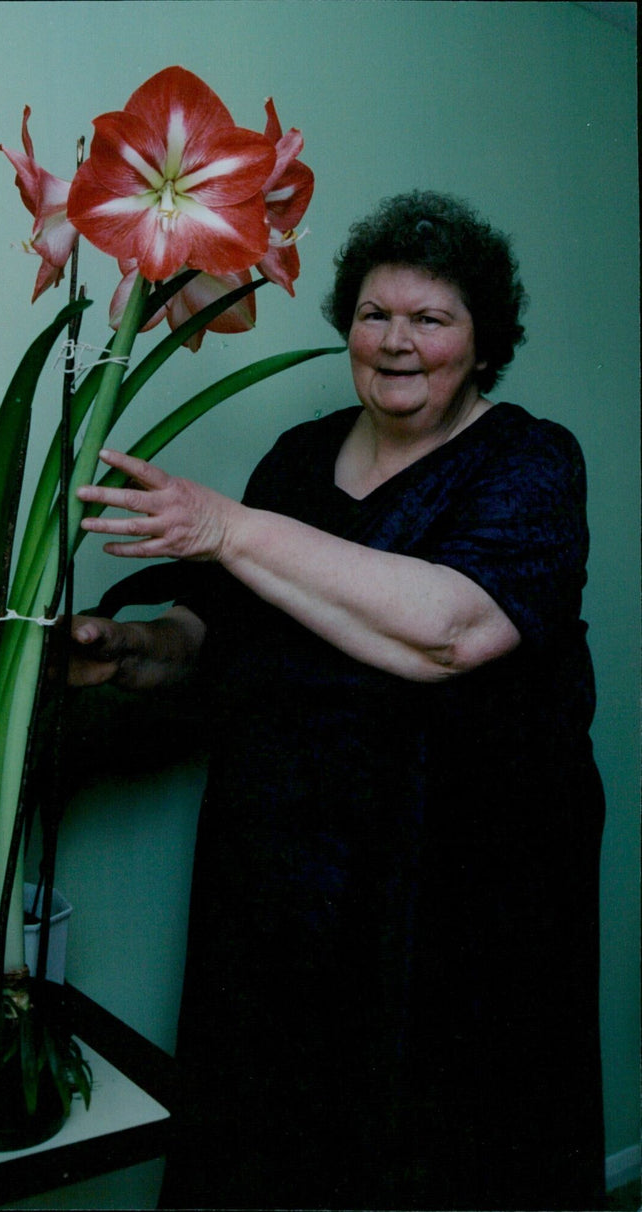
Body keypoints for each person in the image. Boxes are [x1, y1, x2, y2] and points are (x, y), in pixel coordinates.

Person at [67, 191, 606, 1211]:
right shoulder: (298, 460)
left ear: (482, 341)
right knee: (270, 1140)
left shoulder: (530, 460)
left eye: (429, 319)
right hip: (280, 879)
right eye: (372, 314)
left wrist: (224, 528)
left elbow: (449, 632)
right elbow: (217, 630)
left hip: (454, 894)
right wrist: (130, 648)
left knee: (435, 1147)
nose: (395, 342)